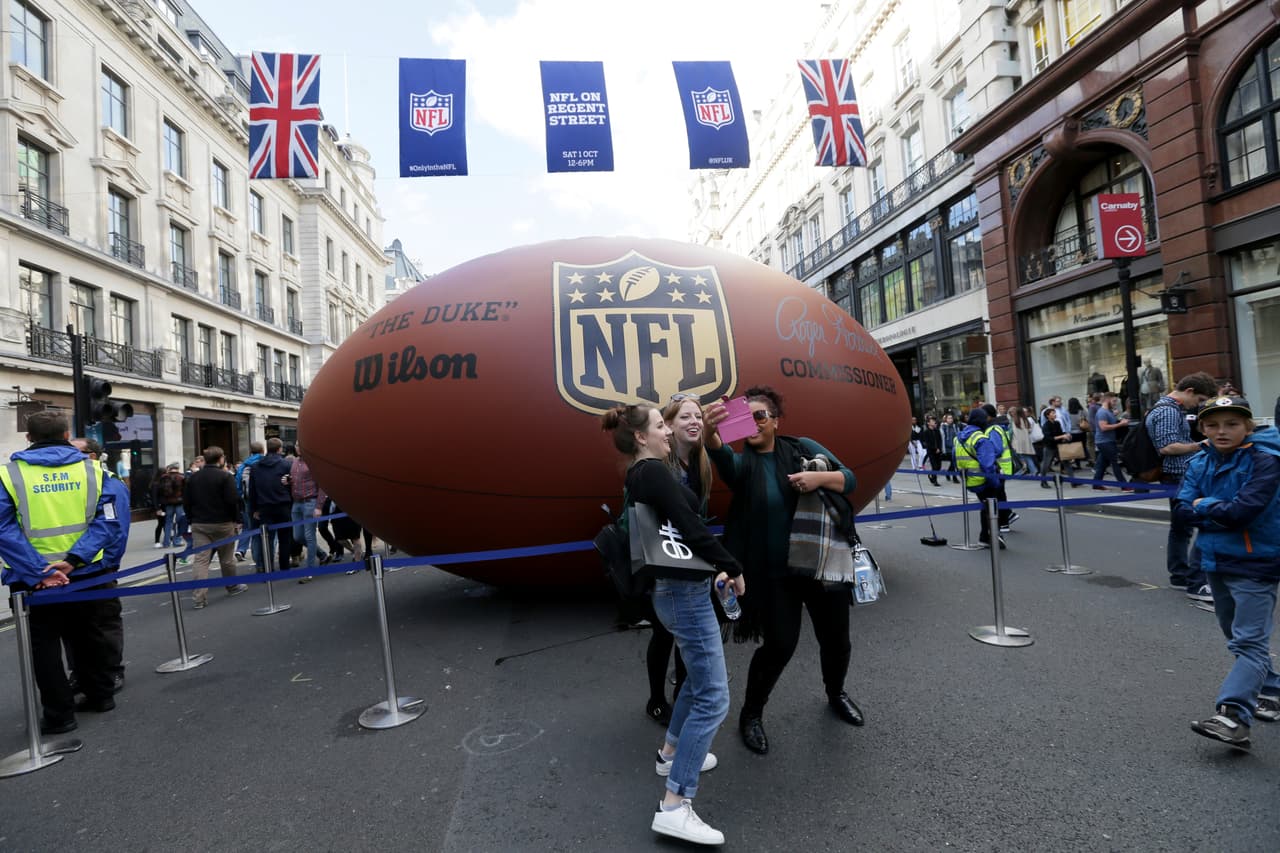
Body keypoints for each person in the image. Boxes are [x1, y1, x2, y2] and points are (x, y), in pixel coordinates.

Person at [601, 404, 742, 846]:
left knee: (699, 686)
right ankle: (675, 805)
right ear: (641, 437)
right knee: (714, 696)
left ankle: (671, 753)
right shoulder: (655, 473)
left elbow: (682, 528)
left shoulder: (643, 474)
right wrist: (731, 565)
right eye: (661, 425)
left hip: (676, 590)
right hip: (683, 593)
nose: (667, 430)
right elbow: (689, 526)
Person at [703, 385, 864, 758]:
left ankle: (835, 693)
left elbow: (849, 479)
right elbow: (717, 450)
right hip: (774, 574)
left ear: (776, 421)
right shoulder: (742, 465)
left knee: (837, 640)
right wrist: (712, 428)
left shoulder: (803, 448)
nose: (754, 423)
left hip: (821, 564)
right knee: (779, 645)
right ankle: (751, 714)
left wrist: (818, 479)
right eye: (746, 418)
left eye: (760, 416)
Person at [0, 411, 126, 734]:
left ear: (28, 438)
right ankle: (101, 696)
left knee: (45, 647)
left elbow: (4, 530)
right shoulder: (94, 471)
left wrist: (39, 571)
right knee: (90, 634)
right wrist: (74, 559)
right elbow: (108, 521)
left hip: (36, 582)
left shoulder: (8, 475)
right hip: (86, 572)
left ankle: (60, 715)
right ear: (68, 434)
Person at [1175, 397, 1280, 749]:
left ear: (1248, 427)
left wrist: (1203, 506)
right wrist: (1212, 510)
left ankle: (1234, 716)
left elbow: (1243, 512)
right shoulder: (1200, 460)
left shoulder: (1265, 461)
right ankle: (1272, 689)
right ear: (1202, 429)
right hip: (1214, 561)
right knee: (1235, 635)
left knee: (1249, 641)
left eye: (1232, 424)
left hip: (1257, 563)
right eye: (1213, 424)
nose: (1222, 431)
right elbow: (1181, 511)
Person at [642, 394, 713, 724]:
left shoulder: (700, 462)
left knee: (688, 634)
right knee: (664, 633)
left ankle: (683, 691)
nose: (694, 422)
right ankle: (656, 701)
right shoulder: (658, 466)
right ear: (668, 426)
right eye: (685, 417)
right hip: (663, 560)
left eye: (698, 416)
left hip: (690, 560)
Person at [1148, 371, 1218, 601]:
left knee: (1181, 528)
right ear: (1189, 391)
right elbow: (1167, 447)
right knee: (1193, 525)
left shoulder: (1168, 408)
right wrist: (1201, 445)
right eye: (1198, 400)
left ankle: (1180, 575)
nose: (1197, 406)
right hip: (1179, 474)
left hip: (1179, 474)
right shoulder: (1168, 410)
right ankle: (1190, 579)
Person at [68, 437, 129, 695]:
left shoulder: (109, 482)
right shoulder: (70, 482)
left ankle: (111, 670)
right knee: (72, 628)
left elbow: (116, 528)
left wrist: (109, 562)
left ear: (93, 455)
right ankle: (79, 673)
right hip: (67, 570)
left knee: (104, 622)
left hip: (98, 568)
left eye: (76, 453)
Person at [183, 446, 248, 609]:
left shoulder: (193, 478)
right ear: (220, 459)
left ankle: (199, 597)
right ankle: (232, 586)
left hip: (199, 523)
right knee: (226, 558)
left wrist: (191, 519)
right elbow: (232, 500)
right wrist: (236, 519)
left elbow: (186, 502)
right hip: (222, 522)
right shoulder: (225, 477)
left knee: (201, 560)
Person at [954, 407, 1005, 548]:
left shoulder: (958, 438)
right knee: (992, 508)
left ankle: (985, 536)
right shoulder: (981, 438)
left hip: (970, 480)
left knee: (985, 507)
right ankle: (992, 536)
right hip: (983, 480)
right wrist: (996, 483)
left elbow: (954, 459)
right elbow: (988, 465)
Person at [247, 438, 294, 575]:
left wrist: (253, 509)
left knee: (267, 539)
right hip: (283, 504)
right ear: (279, 449)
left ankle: (268, 567)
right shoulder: (285, 464)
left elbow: (252, 490)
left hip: (264, 506)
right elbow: (291, 484)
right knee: (285, 537)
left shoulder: (256, 467)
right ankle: (284, 567)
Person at [290, 445, 322, 582]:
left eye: (300, 444)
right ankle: (322, 554)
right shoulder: (295, 462)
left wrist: (319, 506)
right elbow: (294, 480)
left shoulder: (314, 462)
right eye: (296, 445)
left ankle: (310, 570)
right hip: (296, 503)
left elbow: (323, 485)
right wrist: (287, 481)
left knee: (309, 536)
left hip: (310, 502)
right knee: (297, 536)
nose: (298, 447)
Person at [1090, 393, 1131, 489]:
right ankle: (1124, 486)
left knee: (1102, 464)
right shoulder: (1102, 412)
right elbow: (1103, 427)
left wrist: (1117, 419)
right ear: (1107, 400)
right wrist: (1120, 424)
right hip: (1105, 442)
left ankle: (1096, 484)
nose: (1115, 403)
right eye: (1113, 401)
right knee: (1115, 462)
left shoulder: (1107, 412)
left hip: (1107, 440)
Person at [235, 441, 265, 564]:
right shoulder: (265, 462)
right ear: (262, 450)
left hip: (248, 501)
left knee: (251, 528)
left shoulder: (244, 465)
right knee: (269, 530)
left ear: (251, 452)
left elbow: (238, 485)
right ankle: (266, 559)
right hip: (265, 500)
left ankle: (256, 560)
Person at [154, 462, 186, 548]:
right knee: (179, 522)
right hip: (179, 503)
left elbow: (160, 491)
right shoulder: (182, 477)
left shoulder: (163, 477)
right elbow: (185, 491)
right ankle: (177, 540)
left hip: (168, 503)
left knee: (168, 522)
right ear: (178, 468)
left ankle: (166, 542)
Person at [1008, 407, 1040, 478]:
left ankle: (1032, 470)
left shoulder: (1015, 421)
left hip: (1018, 442)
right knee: (1027, 456)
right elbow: (1029, 430)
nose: (1011, 414)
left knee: (1024, 457)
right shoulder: (1025, 420)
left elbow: (1012, 432)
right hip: (1026, 441)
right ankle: (1031, 470)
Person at [921, 415, 944, 486]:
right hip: (931, 452)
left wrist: (939, 448)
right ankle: (935, 481)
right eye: (932, 421)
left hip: (938, 452)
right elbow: (927, 443)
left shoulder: (937, 431)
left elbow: (940, 441)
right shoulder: (926, 432)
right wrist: (935, 449)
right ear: (928, 423)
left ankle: (931, 475)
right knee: (934, 466)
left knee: (938, 467)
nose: (934, 422)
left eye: (934, 421)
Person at [1066, 397, 1090, 467]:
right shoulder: (1082, 411)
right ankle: (1088, 460)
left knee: (1073, 448)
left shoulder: (1067, 412)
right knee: (1082, 447)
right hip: (1081, 432)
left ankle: (1077, 464)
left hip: (1071, 433)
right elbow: (1088, 419)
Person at [940, 412, 960, 482]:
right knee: (953, 463)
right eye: (949, 418)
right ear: (946, 419)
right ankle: (954, 477)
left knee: (953, 463)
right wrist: (943, 449)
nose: (950, 420)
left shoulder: (955, 426)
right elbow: (943, 438)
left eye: (951, 418)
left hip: (954, 447)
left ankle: (948, 473)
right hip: (947, 448)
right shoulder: (943, 427)